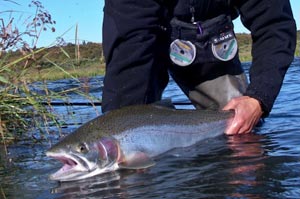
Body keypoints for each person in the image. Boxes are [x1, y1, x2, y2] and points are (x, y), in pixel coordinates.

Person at [101, 0, 296, 135]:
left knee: (240, 126)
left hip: (208, 35)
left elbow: (274, 25)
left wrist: (258, 98)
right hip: (140, 36)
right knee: (123, 140)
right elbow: (130, 49)